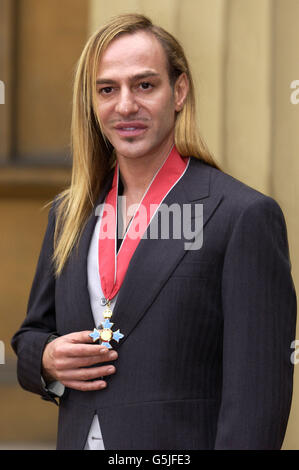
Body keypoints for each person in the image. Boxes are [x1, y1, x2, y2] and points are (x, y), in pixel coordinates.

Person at [12, 13, 297, 450]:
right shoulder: (70, 213)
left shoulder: (242, 216)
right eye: (107, 89)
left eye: (145, 85)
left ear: (178, 91)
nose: (125, 105)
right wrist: (46, 360)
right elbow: (31, 335)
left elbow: (256, 401)